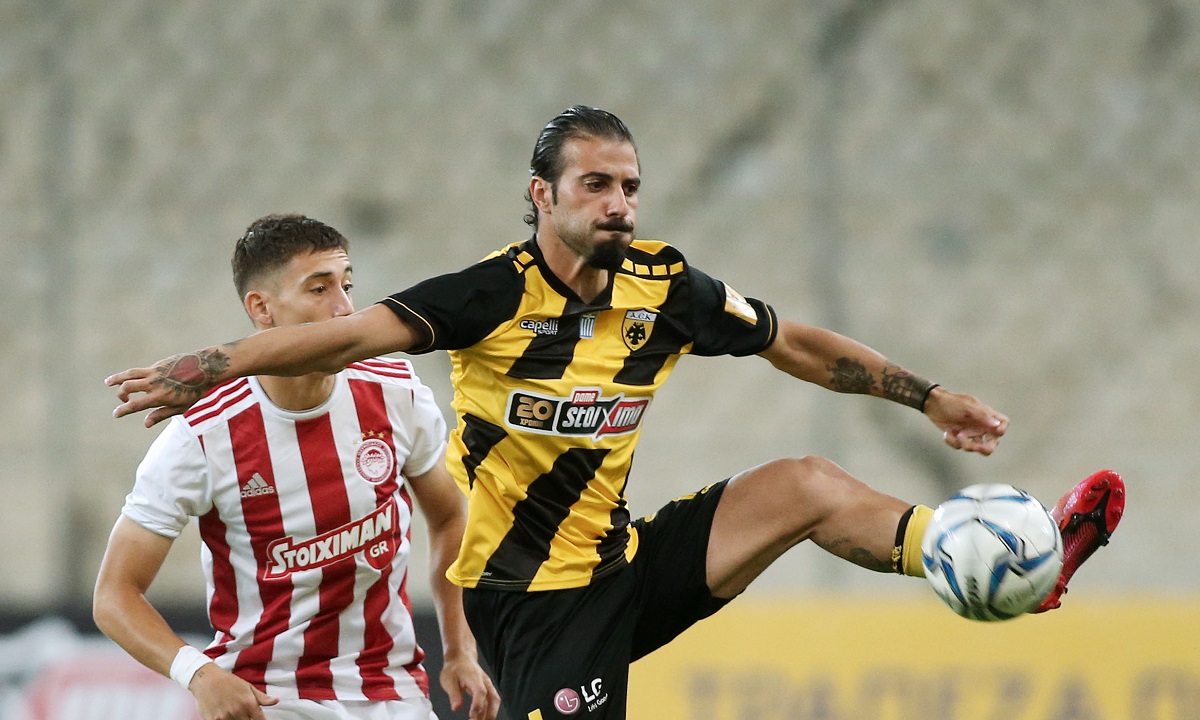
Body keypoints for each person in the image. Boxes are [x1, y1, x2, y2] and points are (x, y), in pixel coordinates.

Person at [107, 108, 1125, 719]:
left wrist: (929, 394)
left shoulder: (664, 287)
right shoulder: (486, 297)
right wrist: (210, 365)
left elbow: (794, 344)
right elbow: (344, 338)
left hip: (622, 564)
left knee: (807, 485)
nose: (619, 204)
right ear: (542, 196)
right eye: (595, 185)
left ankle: (990, 565)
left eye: (630, 187)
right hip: (528, 610)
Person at [94, 215, 500, 720]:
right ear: (261, 308)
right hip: (270, 697)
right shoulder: (203, 435)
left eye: (347, 286)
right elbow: (114, 595)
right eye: (319, 289)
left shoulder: (396, 391)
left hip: (393, 691)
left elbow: (450, 516)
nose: (344, 308)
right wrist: (200, 675)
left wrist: (459, 649)